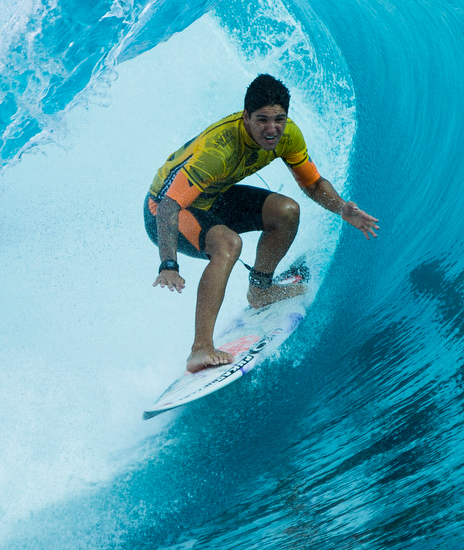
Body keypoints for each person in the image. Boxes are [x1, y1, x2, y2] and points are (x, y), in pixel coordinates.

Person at [145, 74, 380, 373]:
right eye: (262, 120)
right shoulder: (218, 151)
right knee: (229, 244)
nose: (272, 129)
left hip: (212, 198)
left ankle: (260, 290)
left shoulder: (288, 135)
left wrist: (341, 208)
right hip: (164, 213)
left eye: (279, 119)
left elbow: (313, 184)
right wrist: (168, 264)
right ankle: (200, 348)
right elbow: (169, 205)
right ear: (246, 117)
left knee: (286, 211)